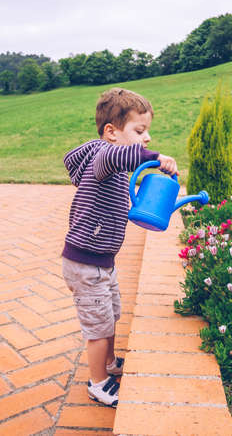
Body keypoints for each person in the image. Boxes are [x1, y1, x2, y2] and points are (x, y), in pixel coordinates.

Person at [61, 87, 178, 407]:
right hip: (85, 263)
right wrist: (156, 158)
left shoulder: (114, 166)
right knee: (98, 327)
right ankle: (98, 382)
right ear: (111, 132)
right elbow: (121, 155)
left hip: (102, 261)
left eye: (148, 131)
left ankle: (110, 363)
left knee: (110, 314)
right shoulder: (104, 156)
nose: (148, 137)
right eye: (140, 131)